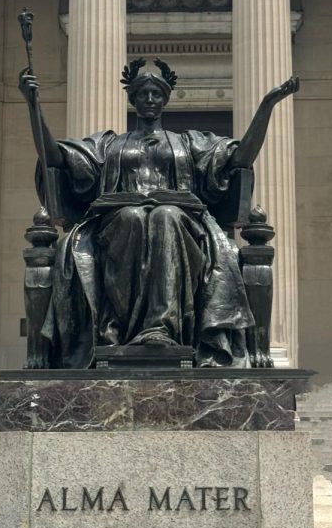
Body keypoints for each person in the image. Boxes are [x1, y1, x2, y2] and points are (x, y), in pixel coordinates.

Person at [19, 58, 298, 368]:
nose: (149, 100)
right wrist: (34, 107)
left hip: (181, 222)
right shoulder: (109, 144)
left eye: (156, 94)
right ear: (132, 99)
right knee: (132, 218)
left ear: (166, 99)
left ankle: (160, 328)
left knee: (166, 216)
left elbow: (240, 157)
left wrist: (267, 107)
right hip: (117, 221)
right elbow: (55, 157)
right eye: (142, 94)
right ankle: (119, 329)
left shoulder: (189, 143)